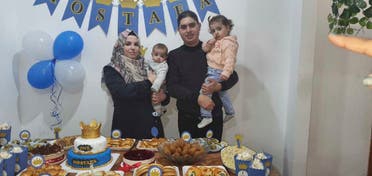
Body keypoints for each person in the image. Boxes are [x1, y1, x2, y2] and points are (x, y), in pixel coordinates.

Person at [166, 10, 239, 141]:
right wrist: (198, 98)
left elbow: (234, 76)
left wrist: (219, 86)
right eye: (183, 27)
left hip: (214, 118)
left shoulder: (212, 48)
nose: (188, 30)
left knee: (213, 159)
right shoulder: (174, 55)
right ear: (179, 30)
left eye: (192, 25)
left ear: (199, 26)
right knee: (188, 159)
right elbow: (172, 87)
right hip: (187, 119)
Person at [102, 29, 168, 139]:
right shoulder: (111, 68)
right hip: (127, 126)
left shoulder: (147, 65)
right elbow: (122, 92)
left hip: (151, 124)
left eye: (136, 44)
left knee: (155, 155)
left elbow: (163, 88)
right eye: (127, 44)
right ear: (120, 45)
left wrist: (164, 96)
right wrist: (148, 82)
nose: (133, 47)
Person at [197, 15, 239, 128]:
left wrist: (226, 73)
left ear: (228, 27)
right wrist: (211, 42)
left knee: (205, 90)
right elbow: (204, 49)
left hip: (217, 72)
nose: (216, 32)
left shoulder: (228, 43)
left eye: (219, 29)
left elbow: (230, 60)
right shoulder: (216, 41)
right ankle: (230, 111)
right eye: (213, 31)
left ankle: (206, 116)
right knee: (222, 93)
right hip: (213, 70)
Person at [145, 43, 169, 117]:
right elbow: (145, 66)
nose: (158, 57)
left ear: (165, 57)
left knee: (155, 99)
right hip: (150, 84)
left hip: (159, 86)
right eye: (156, 54)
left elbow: (161, 77)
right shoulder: (150, 61)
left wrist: (155, 87)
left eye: (162, 56)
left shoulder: (163, 66)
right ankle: (162, 109)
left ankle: (158, 112)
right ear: (152, 54)